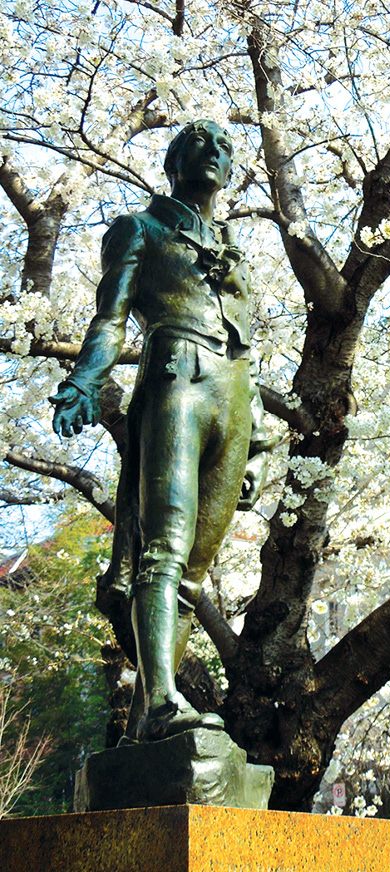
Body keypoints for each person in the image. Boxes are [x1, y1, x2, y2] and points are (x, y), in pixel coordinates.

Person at [51, 120, 273, 742]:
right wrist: (84, 382)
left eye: (225, 148)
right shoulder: (139, 229)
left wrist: (256, 443)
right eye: (200, 143)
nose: (215, 154)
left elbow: (247, 346)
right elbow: (109, 317)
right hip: (174, 374)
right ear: (173, 161)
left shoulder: (234, 249)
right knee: (165, 546)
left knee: (195, 573)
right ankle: (163, 701)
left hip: (232, 393)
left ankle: (154, 709)